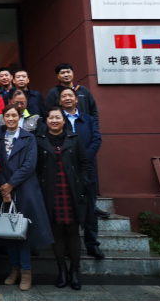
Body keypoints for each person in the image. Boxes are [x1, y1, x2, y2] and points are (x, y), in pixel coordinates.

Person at [0, 105, 54, 292]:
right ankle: (14, 269)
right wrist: (4, 187)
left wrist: (11, 184)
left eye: (14, 115)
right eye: (7, 115)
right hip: (4, 190)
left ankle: (26, 272)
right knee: (8, 232)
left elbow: (29, 164)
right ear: (3, 117)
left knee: (23, 233)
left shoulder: (28, 138)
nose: (11, 118)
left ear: (19, 117)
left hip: (25, 189)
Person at [35, 107, 92, 291]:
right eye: (51, 117)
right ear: (46, 121)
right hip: (50, 191)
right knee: (57, 232)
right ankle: (62, 271)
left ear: (63, 120)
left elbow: (84, 163)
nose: (54, 120)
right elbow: (36, 167)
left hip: (71, 191)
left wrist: (83, 182)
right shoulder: (40, 140)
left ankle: (74, 272)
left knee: (73, 232)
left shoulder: (74, 138)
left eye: (57, 117)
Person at [59, 87, 105, 259]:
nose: (67, 98)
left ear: (76, 99)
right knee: (67, 210)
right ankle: (68, 245)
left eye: (70, 95)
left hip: (87, 171)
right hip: (64, 171)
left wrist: (83, 158)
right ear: (60, 101)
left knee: (90, 210)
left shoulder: (87, 119)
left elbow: (96, 139)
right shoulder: (57, 119)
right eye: (64, 96)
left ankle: (92, 244)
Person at [47, 63, 100, 129]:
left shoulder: (83, 90)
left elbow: (93, 110)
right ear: (58, 76)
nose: (66, 75)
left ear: (73, 73)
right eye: (62, 73)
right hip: (63, 130)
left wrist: (95, 128)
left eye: (68, 72)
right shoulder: (53, 92)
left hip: (85, 128)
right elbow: (48, 113)